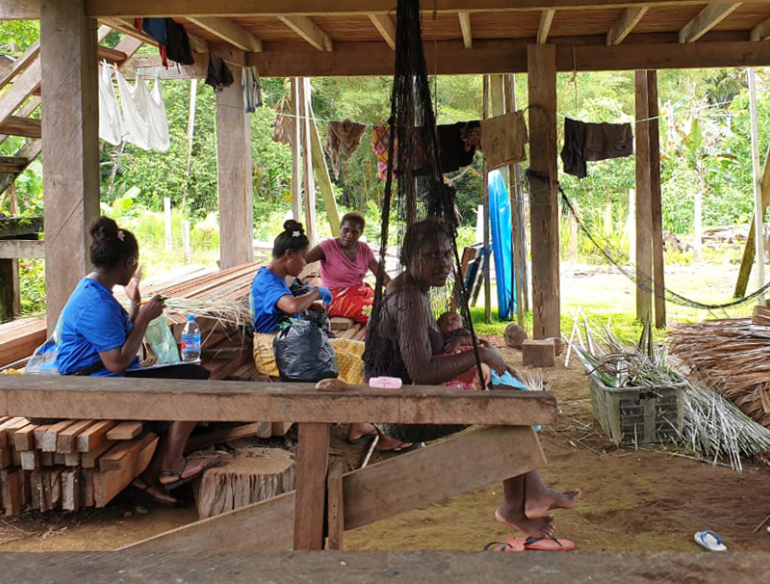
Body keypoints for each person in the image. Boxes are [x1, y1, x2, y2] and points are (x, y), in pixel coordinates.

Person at [363, 220, 581, 539]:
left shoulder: (411, 290)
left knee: (508, 393)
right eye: (432, 256)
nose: (444, 263)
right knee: (509, 396)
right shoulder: (408, 299)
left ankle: (529, 494)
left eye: (447, 254)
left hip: (400, 395)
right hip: (398, 411)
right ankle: (519, 500)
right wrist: (483, 357)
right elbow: (422, 374)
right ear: (411, 257)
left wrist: (451, 336)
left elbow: (413, 350)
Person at [55, 216, 218, 507]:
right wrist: (144, 317)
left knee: (192, 376)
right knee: (196, 383)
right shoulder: (96, 304)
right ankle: (171, 465)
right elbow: (117, 362)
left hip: (100, 377)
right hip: (90, 386)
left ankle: (149, 476)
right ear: (129, 263)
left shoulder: (94, 291)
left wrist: (134, 304)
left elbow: (116, 341)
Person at [250, 220, 407, 451]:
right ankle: (368, 425)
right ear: (288, 255)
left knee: (365, 351)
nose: (305, 263)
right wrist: (314, 292)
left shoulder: (274, 276)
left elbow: (287, 308)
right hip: (275, 350)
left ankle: (361, 423)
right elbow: (291, 307)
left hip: (292, 344)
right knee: (357, 367)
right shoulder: (268, 281)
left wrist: (310, 305)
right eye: (303, 257)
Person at [305, 212, 389, 325]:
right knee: (380, 312)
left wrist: (400, 290)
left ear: (360, 234)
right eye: (346, 230)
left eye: (354, 232)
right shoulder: (328, 247)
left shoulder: (364, 249)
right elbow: (303, 260)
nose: (349, 235)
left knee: (390, 305)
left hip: (359, 292)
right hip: (335, 299)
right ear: (340, 229)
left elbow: (380, 275)